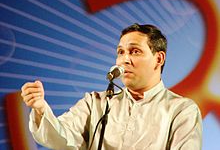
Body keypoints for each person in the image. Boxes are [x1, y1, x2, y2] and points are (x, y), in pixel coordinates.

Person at [21, 23, 202, 150]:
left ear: (159, 59)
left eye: (135, 51)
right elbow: (61, 138)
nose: (125, 60)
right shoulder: (95, 102)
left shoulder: (181, 110)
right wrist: (40, 109)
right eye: (120, 52)